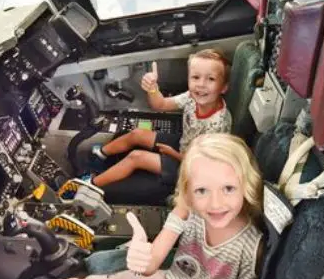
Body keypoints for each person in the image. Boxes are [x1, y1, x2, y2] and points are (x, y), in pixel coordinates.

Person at [55, 133, 263, 279]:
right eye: (202, 190)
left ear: (246, 184)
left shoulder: (252, 246)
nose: (215, 203)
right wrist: (143, 259)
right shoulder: (187, 209)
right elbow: (152, 262)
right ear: (188, 191)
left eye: (228, 188)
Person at [81, 48, 233, 189]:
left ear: (224, 87)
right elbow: (160, 104)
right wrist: (153, 89)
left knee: (136, 157)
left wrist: (172, 153)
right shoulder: (191, 97)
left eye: (211, 79)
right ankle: (99, 155)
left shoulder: (217, 123)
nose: (201, 85)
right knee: (137, 134)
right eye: (195, 77)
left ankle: (90, 186)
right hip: (185, 145)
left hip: (192, 168)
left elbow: (201, 164)